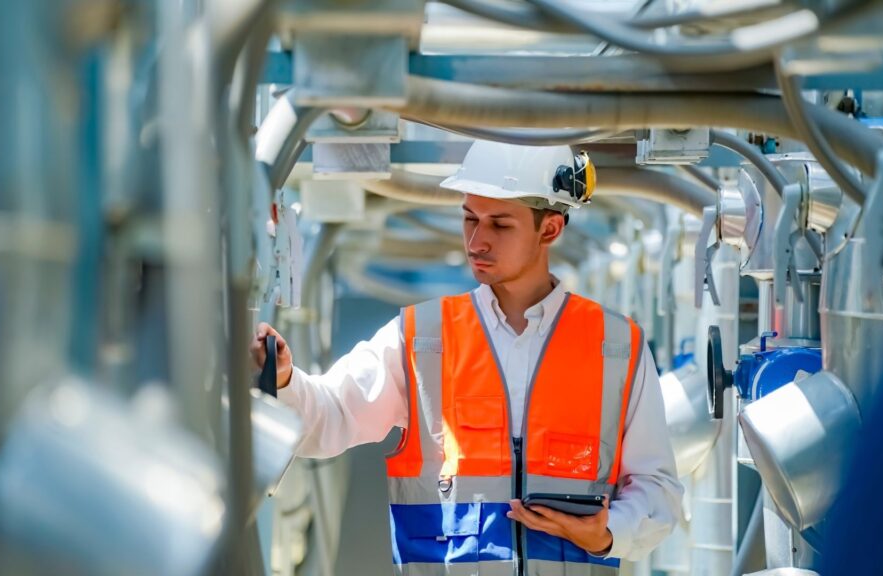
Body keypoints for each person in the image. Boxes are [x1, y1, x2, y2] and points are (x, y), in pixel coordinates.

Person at [250, 141, 683, 576]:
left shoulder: (616, 345)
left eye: (500, 224)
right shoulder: (422, 338)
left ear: (550, 230)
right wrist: (286, 380)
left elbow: (658, 490)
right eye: (470, 219)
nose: (477, 241)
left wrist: (609, 533)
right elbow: (331, 416)